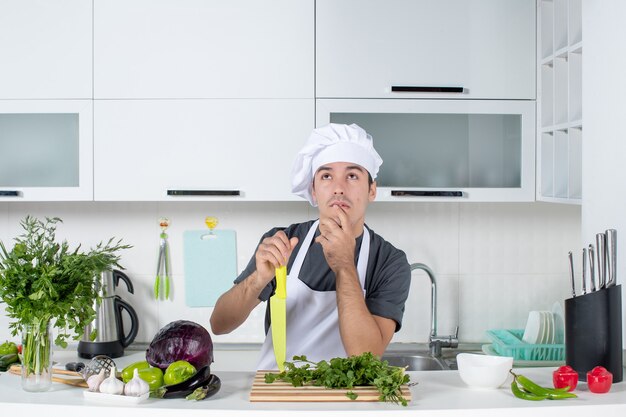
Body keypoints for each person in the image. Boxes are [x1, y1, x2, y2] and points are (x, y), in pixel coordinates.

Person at [210, 123, 411, 370]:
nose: (338, 188)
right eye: (326, 176)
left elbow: (366, 357)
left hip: (346, 401)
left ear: (371, 190)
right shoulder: (282, 240)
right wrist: (257, 280)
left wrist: (345, 265)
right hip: (279, 394)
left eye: (352, 176)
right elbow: (219, 325)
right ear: (314, 191)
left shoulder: (390, 262)